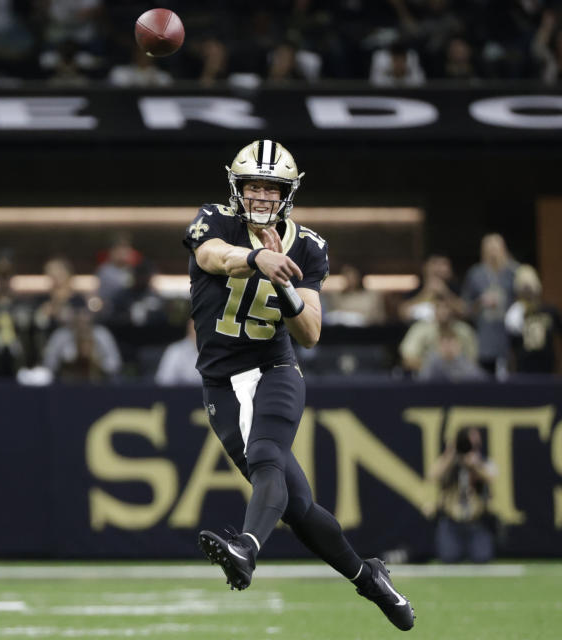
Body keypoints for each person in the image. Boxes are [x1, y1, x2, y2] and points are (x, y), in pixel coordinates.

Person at [183, 139, 414, 631]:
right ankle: (369, 577)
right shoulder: (214, 220)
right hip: (221, 382)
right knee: (299, 506)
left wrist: (285, 284)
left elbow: (309, 332)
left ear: (289, 193)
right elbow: (214, 257)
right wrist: (256, 260)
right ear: (235, 187)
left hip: (275, 369)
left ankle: (245, 548)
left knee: (267, 456)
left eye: (272, 187)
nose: (262, 195)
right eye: (253, 185)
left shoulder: (308, 246)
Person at [428, 428, 496, 563]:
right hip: (451, 523)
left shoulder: (483, 462)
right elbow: (433, 476)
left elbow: (492, 477)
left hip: (476, 523)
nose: (469, 448)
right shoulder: (450, 463)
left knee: (482, 559)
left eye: (474, 444)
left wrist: (475, 465)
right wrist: (450, 455)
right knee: (449, 558)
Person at [461, 233, 517, 376]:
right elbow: (465, 307)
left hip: (510, 337)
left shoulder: (514, 271)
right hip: (485, 337)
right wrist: (480, 302)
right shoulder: (476, 274)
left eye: (496, 248)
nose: (493, 252)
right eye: (489, 249)